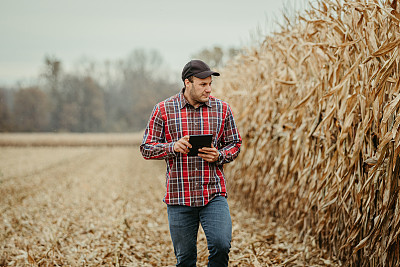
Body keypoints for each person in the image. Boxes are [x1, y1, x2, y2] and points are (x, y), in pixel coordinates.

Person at [140, 59, 242, 266]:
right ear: (188, 82)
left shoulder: (222, 109)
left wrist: (219, 155)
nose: (208, 89)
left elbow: (235, 144)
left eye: (210, 84)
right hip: (179, 196)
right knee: (185, 259)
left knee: (222, 245)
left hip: (213, 193)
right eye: (203, 84)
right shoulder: (163, 110)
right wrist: (172, 147)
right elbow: (146, 148)